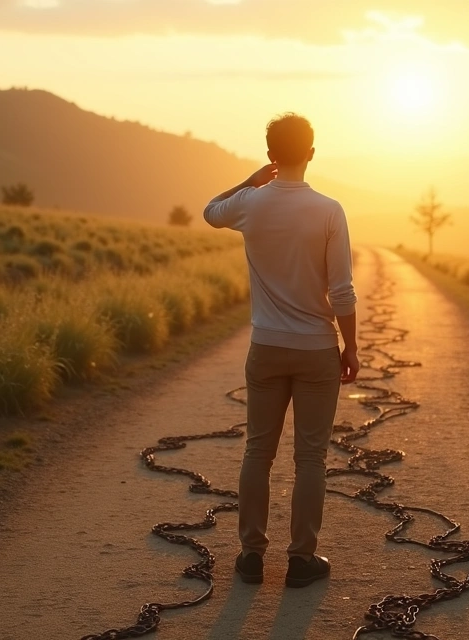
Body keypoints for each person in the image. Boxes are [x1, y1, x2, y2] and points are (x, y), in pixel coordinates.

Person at [204, 113, 359, 589]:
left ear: (271, 155)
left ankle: (251, 556)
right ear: (312, 152)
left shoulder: (250, 204)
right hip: (316, 350)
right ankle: (300, 560)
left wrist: (248, 181)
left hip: (266, 346)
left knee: (258, 451)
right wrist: (350, 347)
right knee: (310, 458)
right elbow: (342, 293)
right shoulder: (330, 210)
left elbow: (211, 211)